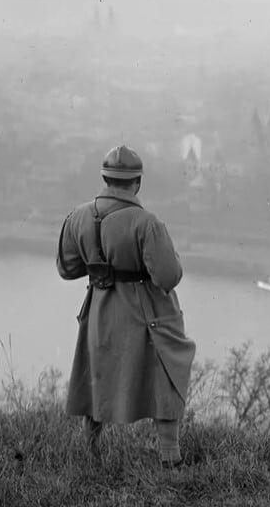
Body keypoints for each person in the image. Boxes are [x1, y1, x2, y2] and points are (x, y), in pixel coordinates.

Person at [57, 145, 197, 467]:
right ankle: (170, 457)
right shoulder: (147, 223)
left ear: (105, 178)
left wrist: (98, 263)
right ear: (137, 183)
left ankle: (90, 453)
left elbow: (67, 269)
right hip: (146, 314)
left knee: (97, 375)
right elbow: (168, 276)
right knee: (165, 375)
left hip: (99, 311)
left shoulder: (77, 217)